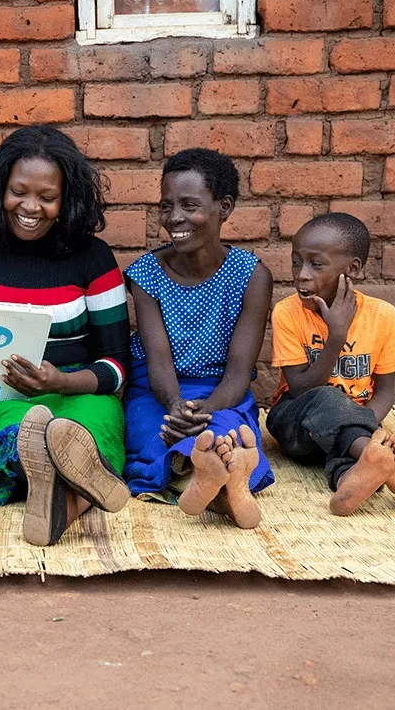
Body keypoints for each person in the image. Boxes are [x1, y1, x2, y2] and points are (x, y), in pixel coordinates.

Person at [0, 126, 132, 546]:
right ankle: (75, 490)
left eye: (48, 197)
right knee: (21, 426)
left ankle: (51, 492)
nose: (31, 207)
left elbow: (116, 366)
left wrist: (60, 381)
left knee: (85, 424)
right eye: (19, 191)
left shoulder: (93, 258)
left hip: (77, 391)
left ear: (67, 200)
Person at [122, 148, 274, 529]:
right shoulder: (147, 274)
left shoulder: (251, 276)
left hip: (222, 391)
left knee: (227, 432)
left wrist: (203, 410)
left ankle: (205, 477)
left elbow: (240, 373)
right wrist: (175, 406)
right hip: (157, 390)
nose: (175, 218)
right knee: (151, 435)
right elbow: (157, 362)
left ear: (224, 207)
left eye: (190, 205)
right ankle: (214, 483)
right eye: (166, 206)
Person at [266, 212, 395, 516]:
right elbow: (301, 388)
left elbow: (384, 393)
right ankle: (378, 457)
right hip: (294, 422)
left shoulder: (382, 315)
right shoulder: (287, 312)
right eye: (296, 261)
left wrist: (356, 426)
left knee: (347, 440)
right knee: (330, 399)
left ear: (351, 269)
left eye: (316, 264)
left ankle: (350, 480)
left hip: (347, 432)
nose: (301, 274)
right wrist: (336, 336)